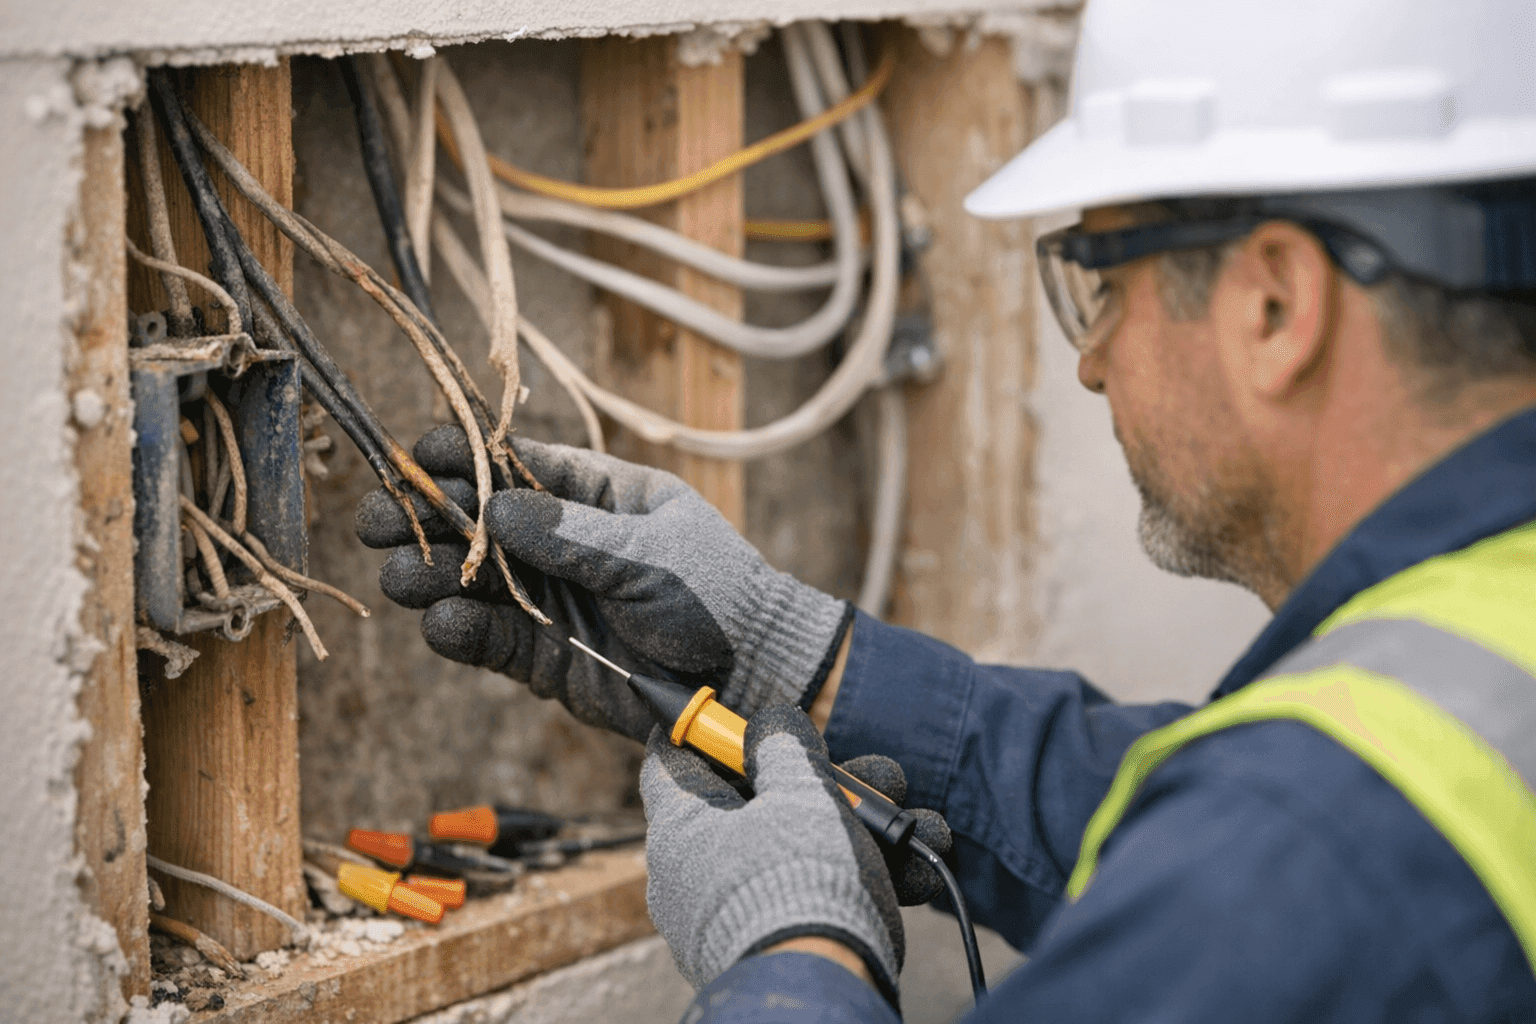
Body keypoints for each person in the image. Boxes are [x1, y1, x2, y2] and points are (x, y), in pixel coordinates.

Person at [355, 0, 1536, 1018]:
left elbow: (1262, 856)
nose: (1091, 363)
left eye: (1102, 284)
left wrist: (793, 954)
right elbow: (1175, 808)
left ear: (1275, 306)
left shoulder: (1309, 845)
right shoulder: (1469, 659)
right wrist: (795, 653)